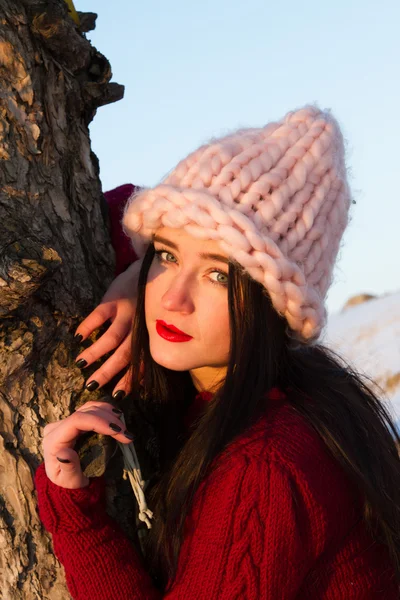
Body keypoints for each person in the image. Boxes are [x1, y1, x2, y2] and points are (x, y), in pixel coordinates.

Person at [34, 105, 400, 599]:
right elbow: (103, 213)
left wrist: (79, 523)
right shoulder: (300, 398)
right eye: (166, 254)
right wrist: (133, 269)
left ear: (276, 305)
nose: (172, 299)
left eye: (218, 275)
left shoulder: (264, 466)